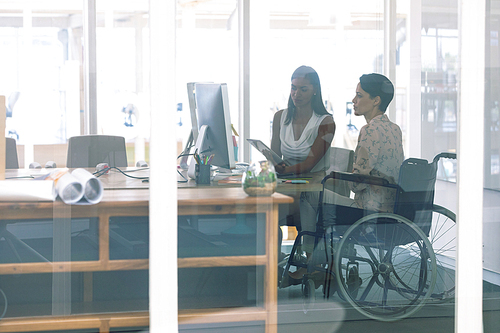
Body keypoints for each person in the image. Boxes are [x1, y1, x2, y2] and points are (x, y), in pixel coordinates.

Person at [292, 73, 404, 279]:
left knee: (309, 196)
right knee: (324, 190)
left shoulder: (369, 130)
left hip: (367, 210)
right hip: (390, 208)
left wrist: (331, 179)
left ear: (376, 101)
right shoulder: (394, 129)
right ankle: (326, 258)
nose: (354, 100)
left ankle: (312, 259)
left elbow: (359, 182)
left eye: (359, 95)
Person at [270, 65, 335, 265]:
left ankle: (309, 262)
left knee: (302, 199)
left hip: (313, 184)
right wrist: (272, 166)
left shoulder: (326, 122)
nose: (296, 94)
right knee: (265, 207)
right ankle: (272, 260)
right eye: (293, 88)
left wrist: (283, 170)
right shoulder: (280, 117)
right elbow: (274, 155)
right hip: (286, 182)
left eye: (303, 89)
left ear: (315, 90)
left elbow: (309, 164)